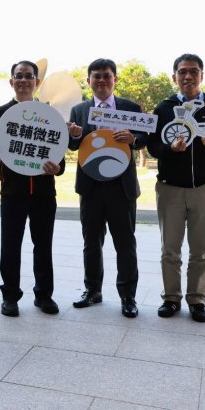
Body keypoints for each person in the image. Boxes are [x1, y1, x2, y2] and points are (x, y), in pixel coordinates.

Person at [0, 60, 72, 317]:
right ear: (12, 82)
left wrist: (58, 169)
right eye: (19, 76)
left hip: (43, 192)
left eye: (29, 76)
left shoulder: (48, 113)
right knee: (11, 245)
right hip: (12, 191)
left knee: (43, 244)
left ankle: (44, 295)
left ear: (37, 82)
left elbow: (58, 155)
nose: (24, 80)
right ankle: (10, 296)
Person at [147, 54, 205, 323]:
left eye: (193, 71)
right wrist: (170, 150)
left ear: (202, 76)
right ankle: (171, 298)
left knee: (201, 248)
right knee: (169, 248)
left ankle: (197, 300)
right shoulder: (163, 109)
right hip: (170, 188)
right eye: (182, 72)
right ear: (174, 77)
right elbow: (152, 147)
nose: (188, 76)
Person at [67, 58, 148, 318]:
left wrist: (134, 139)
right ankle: (93, 291)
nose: (101, 80)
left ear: (115, 80)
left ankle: (128, 296)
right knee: (91, 242)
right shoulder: (79, 110)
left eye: (106, 76)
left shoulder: (130, 108)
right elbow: (71, 144)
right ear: (89, 80)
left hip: (121, 187)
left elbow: (147, 136)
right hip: (90, 186)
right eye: (96, 76)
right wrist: (76, 134)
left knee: (125, 243)